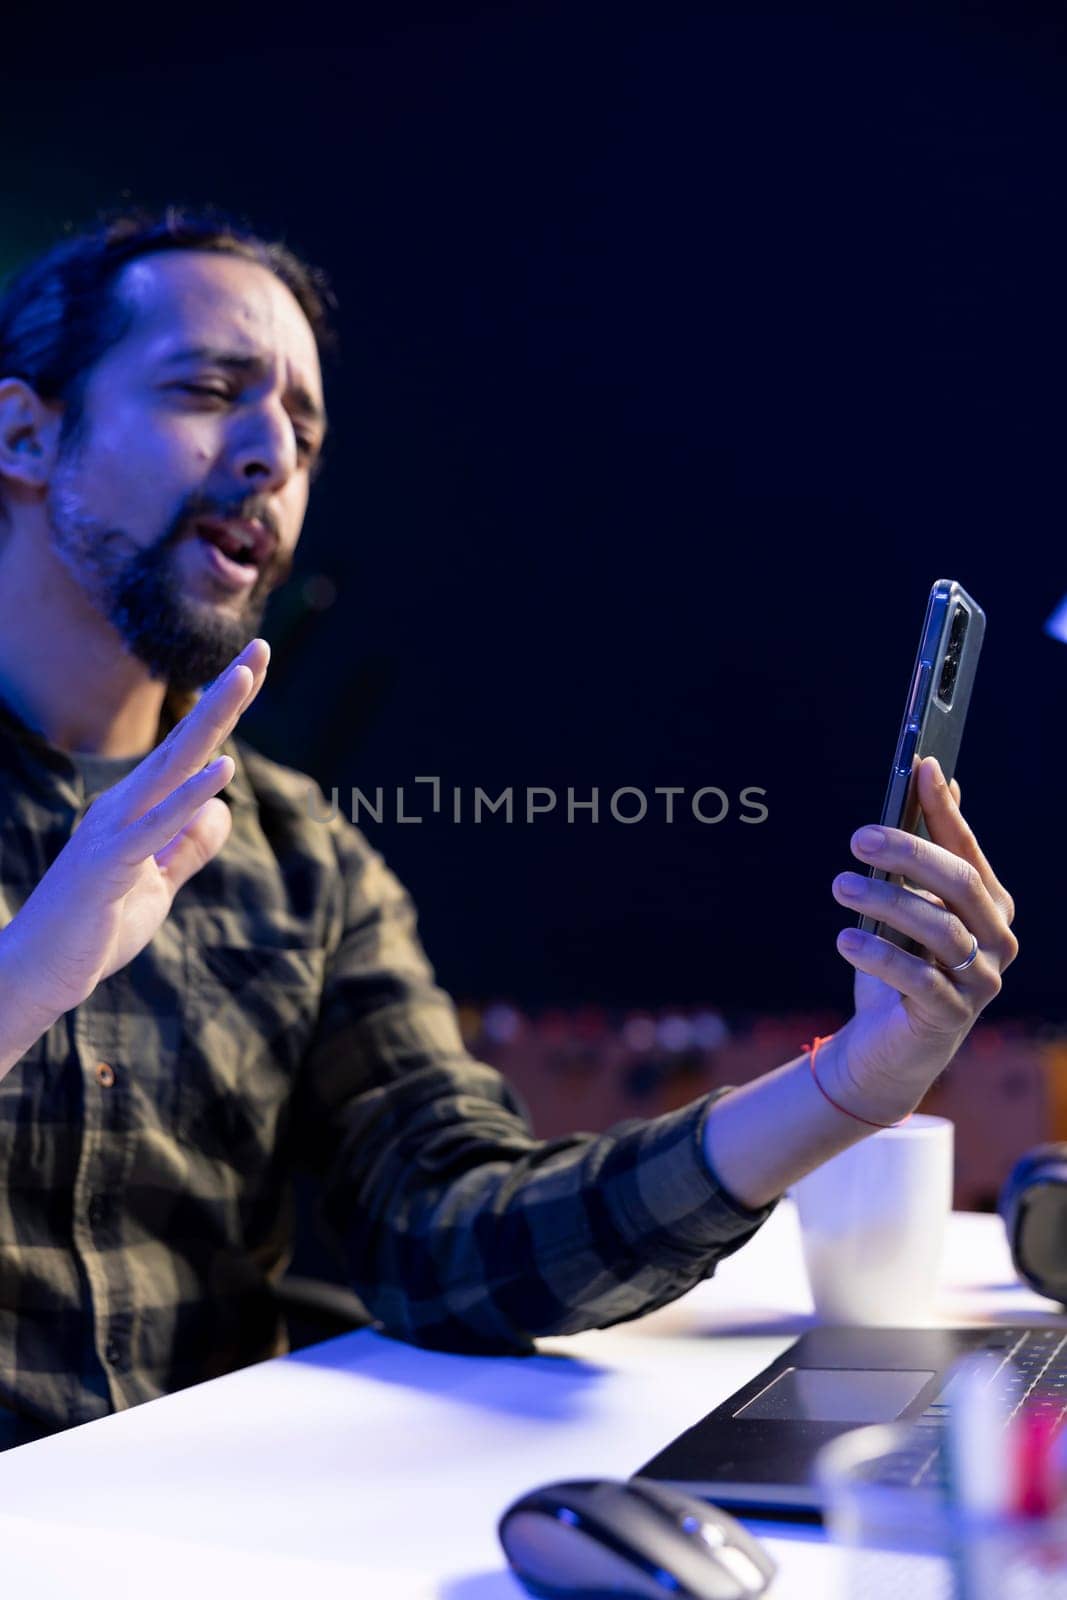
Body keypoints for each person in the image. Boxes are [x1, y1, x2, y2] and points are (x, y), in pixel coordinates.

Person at [0, 205, 1017, 1449]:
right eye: (211, 388)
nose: (273, 450)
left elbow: (456, 1230)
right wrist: (24, 980)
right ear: (24, 432)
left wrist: (852, 1085)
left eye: (306, 432)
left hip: (197, 1539)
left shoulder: (294, 853)